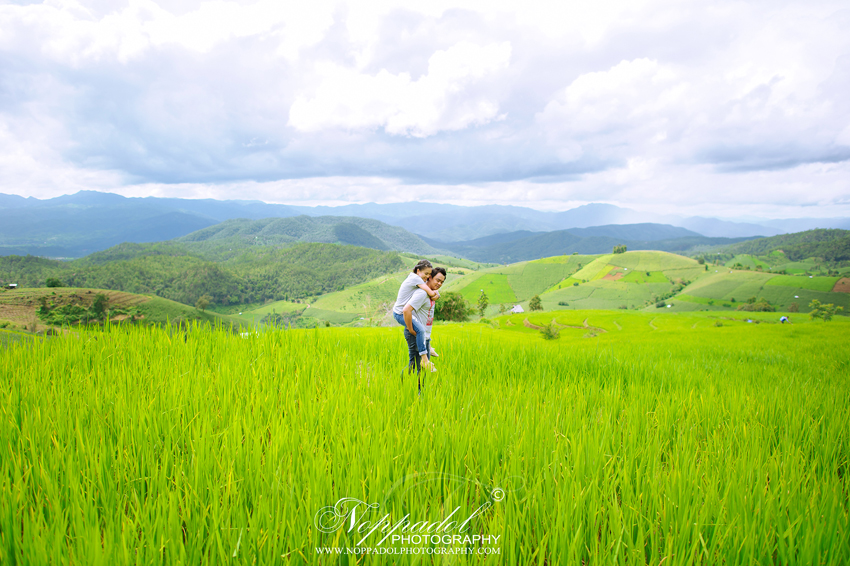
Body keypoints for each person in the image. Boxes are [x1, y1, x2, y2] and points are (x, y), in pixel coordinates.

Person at [402, 267, 446, 386]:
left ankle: (414, 389)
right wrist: (411, 329)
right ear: (429, 277)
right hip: (415, 333)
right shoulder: (422, 293)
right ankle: (413, 390)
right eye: (437, 280)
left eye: (442, 282)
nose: (439, 283)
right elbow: (406, 310)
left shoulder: (431, 293)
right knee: (417, 364)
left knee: (417, 364)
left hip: (423, 335)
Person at [392, 260, 439, 360]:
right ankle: (424, 358)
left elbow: (430, 289)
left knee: (422, 327)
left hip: (403, 312)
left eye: (429, 275)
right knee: (420, 330)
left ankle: (429, 347)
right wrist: (435, 294)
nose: (427, 277)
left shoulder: (418, 279)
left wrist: (436, 293)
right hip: (399, 313)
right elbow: (429, 292)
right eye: (426, 274)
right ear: (418, 271)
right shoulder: (415, 278)